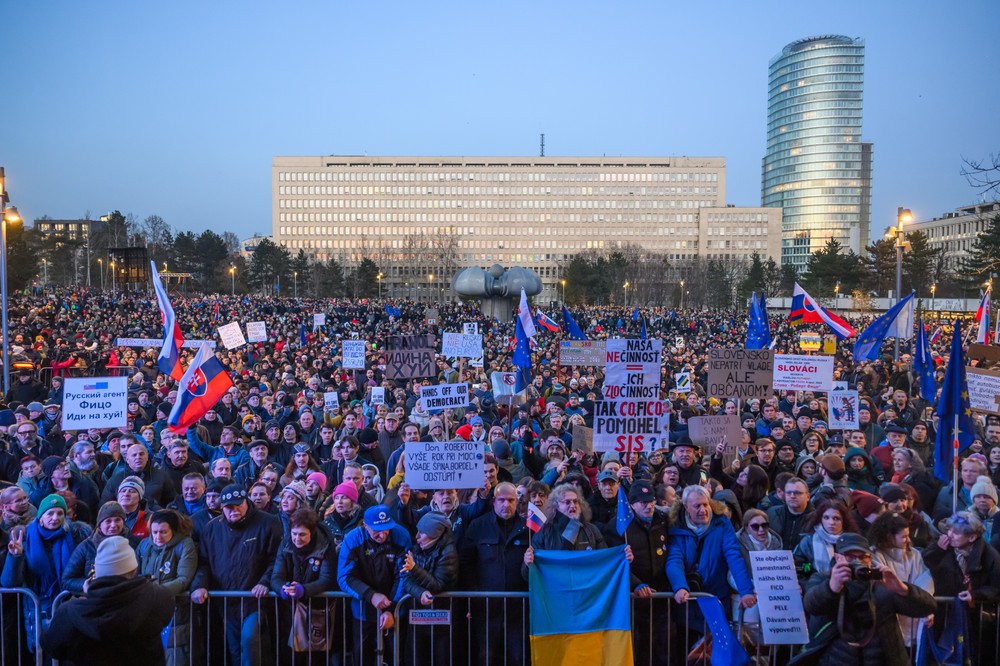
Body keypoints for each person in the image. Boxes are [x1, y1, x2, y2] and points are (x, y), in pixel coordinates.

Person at [791, 533, 937, 666]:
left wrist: (902, 589)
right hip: (836, 659)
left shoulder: (882, 582)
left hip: (881, 659)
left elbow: (928, 607)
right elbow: (812, 604)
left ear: (869, 558)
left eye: (862, 557)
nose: (857, 561)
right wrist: (833, 587)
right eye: (850, 556)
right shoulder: (823, 578)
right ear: (837, 557)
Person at [41, 536, 176, 666]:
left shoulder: (70, 612)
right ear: (134, 570)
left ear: (97, 572)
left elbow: (53, 646)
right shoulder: (158, 597)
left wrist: (89, 596)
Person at [191, 483, 283, 666]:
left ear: (246, 502)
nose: (233, 510)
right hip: (226, 600)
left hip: (255, 599)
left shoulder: (268, 523)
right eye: (228, 507)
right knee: (234, 648)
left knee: (250, 641)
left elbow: (277, 559)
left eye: (237, 505)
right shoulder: (212, 528)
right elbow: (204, 562)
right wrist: (199, 585)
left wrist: (265, 582)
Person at [1, 493, 90, 651]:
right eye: (50, 513)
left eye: (60, 513)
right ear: (40, 517)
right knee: (43, 654)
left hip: (67, 606)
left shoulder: (76, 537)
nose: (55, 518)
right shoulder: (25, 538)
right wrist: (15, 556)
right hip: (38, 609)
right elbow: (9, 583)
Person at [460, 482, 530, 666]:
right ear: (493, 501)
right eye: (502, 500)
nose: (506, 504)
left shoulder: (528, 529)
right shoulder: (478, 526)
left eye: (510, 500)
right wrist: (474, 595)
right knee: (487, 656)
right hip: (487, 608)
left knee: (518, 656)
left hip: (518, 608)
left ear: (517, 502)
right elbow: (466, 563)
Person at [603, 479, 672, 666]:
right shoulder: (617, 527)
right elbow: (614, 564)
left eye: (651, 501)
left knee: (662, 647)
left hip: (661, 596)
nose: (648, 506)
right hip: (633, 599)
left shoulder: (662, 520)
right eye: (643, 502)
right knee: (638, 647)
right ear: (631, 504)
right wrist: (635, 584)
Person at [338, 505, 412, 666]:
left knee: (395, 658)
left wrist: (391, 609)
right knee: (363, 657)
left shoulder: (401, 536)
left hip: (395, 608)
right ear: (365, 525)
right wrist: (370, 595)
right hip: (363, 610)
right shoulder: (353, 539)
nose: (383, 534)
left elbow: (404, 575)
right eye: (377, 530)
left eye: (387, 529)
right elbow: (344, 577)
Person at [270, 508, 337, 665]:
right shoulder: (286, 543)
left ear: (311, 533)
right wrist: (282, 588)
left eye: (302, 535)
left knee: (315, 656)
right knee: (290, 654)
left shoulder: (325, 546)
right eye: (294, 534)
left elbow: (327, 579)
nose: (296, 539)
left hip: (317, 610)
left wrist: (304, 590)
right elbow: (276, 575)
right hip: (290, 609)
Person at [137, 510, 199, 666]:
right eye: (155, 532)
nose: (158, 537)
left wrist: (156, 592)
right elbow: (136, 572)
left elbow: (184, 579)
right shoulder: (145, 545)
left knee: (174, 654)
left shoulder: (185, 545)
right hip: (147, 608)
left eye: (164, 532)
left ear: (174, 530)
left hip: (175, 609)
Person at [399, 512, 458, 665]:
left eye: (422, 532)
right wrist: (420, 593)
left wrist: (414, 568)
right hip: (418, 615)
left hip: (441, 620)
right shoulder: (418, 548)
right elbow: (406, 580)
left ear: (434, 534)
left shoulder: (448, 553)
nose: (417, 536)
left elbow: (438, 584)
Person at [869, 512, 934, 648]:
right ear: (889, 536)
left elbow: (924, 579)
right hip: (890, 618)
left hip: (913, 617)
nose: (907, 539)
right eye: (903, 536)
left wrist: (924, 607)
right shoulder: (874, 555)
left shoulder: (914, 554)